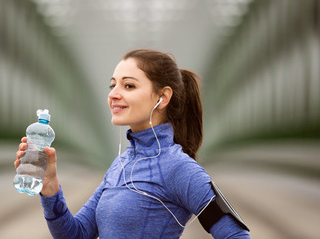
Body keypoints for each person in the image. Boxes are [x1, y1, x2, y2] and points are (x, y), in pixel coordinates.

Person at [14, 49, 251, 238]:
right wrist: (50, 187)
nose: (114, 94)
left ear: (163, 97)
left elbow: (235, 234)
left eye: (128, 86)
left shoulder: (178, 168)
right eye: (113, 85)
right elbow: (77, 234)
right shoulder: (120, 165)